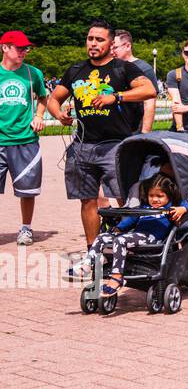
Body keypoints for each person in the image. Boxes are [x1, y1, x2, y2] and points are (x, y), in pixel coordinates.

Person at [46, 21, 157, 246]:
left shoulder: (123, 68)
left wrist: (115, 97)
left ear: (110, 43)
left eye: (100, 39)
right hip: (82, 145)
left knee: (125, 199)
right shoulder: (76, 70)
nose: (93, 44)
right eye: (90, 39)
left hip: (116, 145)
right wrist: (59, 115)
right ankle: (92, 251)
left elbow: (149, 90)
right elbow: (54, 99)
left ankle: (130, 247)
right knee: (87, 201)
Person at [79, 175, 188, 296]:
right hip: (137, 237)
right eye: (151, 196)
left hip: (153, 239)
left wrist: (183, 208)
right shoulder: (145, 207)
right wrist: (119, 228)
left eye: (160, 196)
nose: (155, 199)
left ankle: (117, 277)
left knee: (120, 241)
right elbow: (130, 220)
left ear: (169, 195)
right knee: (101, 237)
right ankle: (87, 265)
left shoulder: (171, 207)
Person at [1, 30, 47, 246]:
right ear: (5, 48)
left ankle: (26, 228)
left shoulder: (33, 74)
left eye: (25, 48)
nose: (24, 51)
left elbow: (43, 98)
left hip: (25, 140)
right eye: (19, 48)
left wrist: (38, 116)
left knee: (27, 190)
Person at [111, 30, 160, 133]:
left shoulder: (144, 69)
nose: (112, 51)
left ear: (128, 46)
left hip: (134, 128)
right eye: (110, 47)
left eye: (115, 47)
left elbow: (149, 102)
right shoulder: (111, 67)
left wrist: (145, 133)